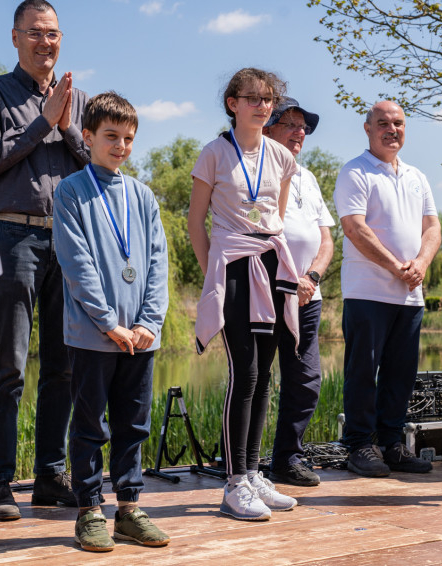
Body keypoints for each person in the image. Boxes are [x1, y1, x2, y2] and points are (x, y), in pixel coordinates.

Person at [0, 0, 88, 520]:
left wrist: (68, 126)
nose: (46, 42)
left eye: (53, 33)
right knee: (9, 366)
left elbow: (100, 165)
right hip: (13, 236)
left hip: (70, 240)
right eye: (35, 33)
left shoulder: (78, 98)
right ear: (15, 37)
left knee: (63, 367)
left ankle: (49, 477)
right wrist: (42, 123)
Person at [54, 92, 169, 551]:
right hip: (93, 335)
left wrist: (149, 321)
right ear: (87, 136)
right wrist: (107, 322)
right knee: (89, 426)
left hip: (140, 337)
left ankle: (129, 509)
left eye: (128, 138)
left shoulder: (142, 195)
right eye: (110, 136)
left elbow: (157, 262)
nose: (120, 146)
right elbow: (77, 264)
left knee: (133, 425)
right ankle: (89, 511)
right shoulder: (71, 191)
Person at [188, 68, 299, 521]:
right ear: (232, 103)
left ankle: (253, 474)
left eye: (268, 99)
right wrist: (213, 274)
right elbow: (196, 222)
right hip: (232, 265)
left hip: (270, 263)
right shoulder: (214, 153)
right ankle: (234, 483)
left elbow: (277, 217)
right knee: (245, 373)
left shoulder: (281, 156)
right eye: (252, 98)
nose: (262, 106)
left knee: (266, 375)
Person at [333, 100, 441, 478]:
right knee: (363, 372)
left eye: (398, 123)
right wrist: (397, 267)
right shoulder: (355, 172)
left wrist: (421, 264)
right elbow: (354, 228)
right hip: (367, 291)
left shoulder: (417, 176)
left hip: (410, 294)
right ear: (368, 129)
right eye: (383, 123)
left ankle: (392, 444)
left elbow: (433, 228)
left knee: (401, 373)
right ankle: (360, 445)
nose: (391, 129)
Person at [262, 97, 334, 487]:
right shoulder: (256, 171)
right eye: (290, 124)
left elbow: (326, 239)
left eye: (303, 126)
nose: (299, 132)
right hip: (266, 292)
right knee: (254, 381)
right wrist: (293, 279)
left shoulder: (308, 177)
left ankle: (287, 459)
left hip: (308, 296)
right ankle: (242, 466)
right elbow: (261, 236)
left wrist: (313, 277)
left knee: (306, 381)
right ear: (267, 128)